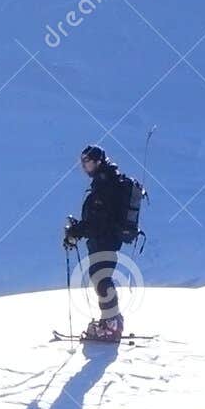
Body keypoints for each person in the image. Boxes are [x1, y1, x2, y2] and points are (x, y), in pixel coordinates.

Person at [63, 145, 130, 340]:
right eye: (82, 162)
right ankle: (112, 321)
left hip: (105, 240)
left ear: (98, 161)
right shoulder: (104, 181)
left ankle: (111, 325)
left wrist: (77, 230)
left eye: (87, 161)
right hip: (105, 239)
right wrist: (79, 229)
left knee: (101, 278)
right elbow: (96, 219)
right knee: (100, 277)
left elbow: (99, 221)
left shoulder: (105, 184)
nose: (84, 166)